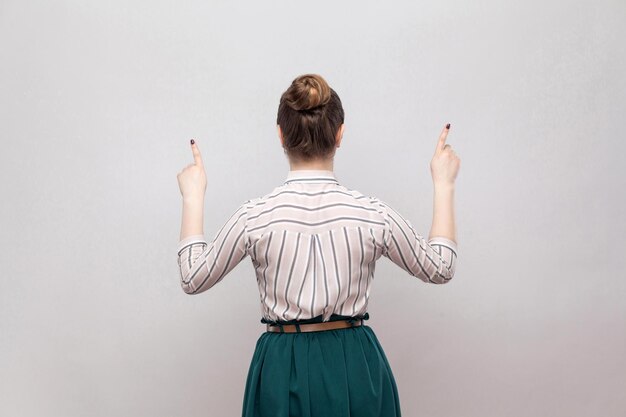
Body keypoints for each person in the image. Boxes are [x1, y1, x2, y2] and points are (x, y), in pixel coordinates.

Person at [176, 73, 460, 417]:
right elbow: (440, 268)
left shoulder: (254, 217)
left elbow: (193, 278)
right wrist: (444, 184)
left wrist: (193, 196)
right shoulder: (372, 214)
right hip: (355, 364)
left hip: (281, 366)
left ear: (280, 135)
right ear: (340, 135)